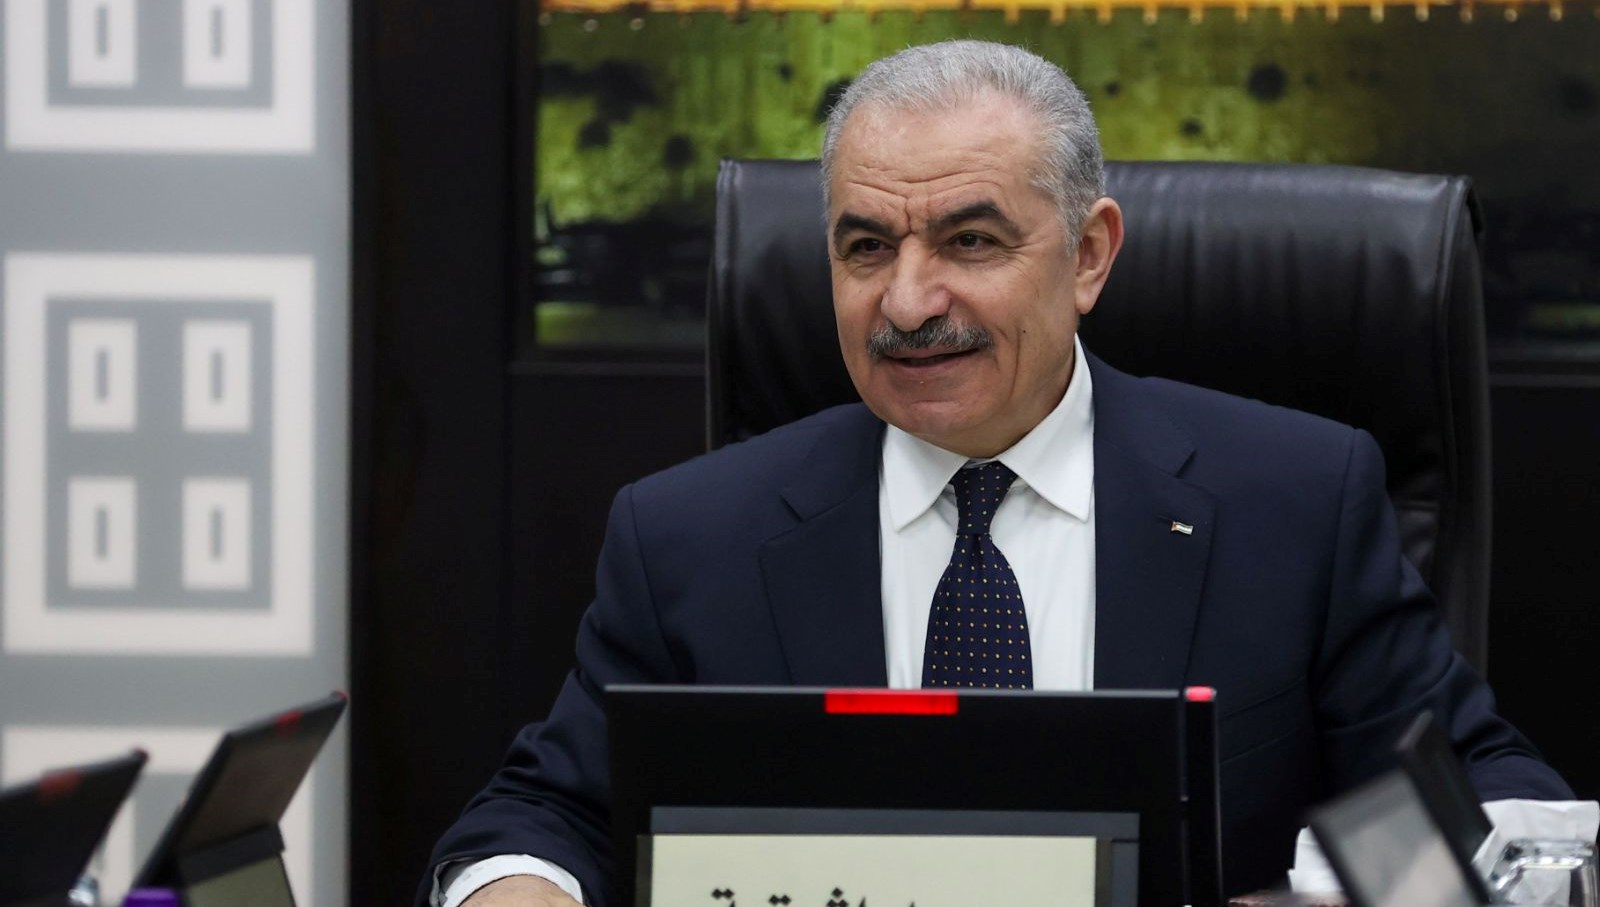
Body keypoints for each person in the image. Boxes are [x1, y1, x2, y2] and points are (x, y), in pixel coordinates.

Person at [426, 40, 1572, 907]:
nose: (907, 301)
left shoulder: (1296, 502)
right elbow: (539, 816)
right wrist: (520, 889)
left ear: (1087, 254)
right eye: (865, 247)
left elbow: (1484, 798)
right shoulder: (689, 537)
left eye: (969, 241)